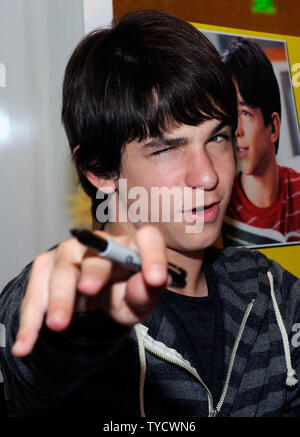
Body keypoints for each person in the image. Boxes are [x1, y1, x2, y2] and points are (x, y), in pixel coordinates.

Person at [0, 10, 300, 418]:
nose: (208, 175)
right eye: (166, 148)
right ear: (101, 170)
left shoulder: (267, 289)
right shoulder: (76, 290)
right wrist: (78, 324)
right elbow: (38, 352)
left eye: (218, 138)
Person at [222, 37, 300, 247]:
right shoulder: (222, 208)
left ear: (273, 127)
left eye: (245, 113)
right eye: (230, 115)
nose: (236, 130)